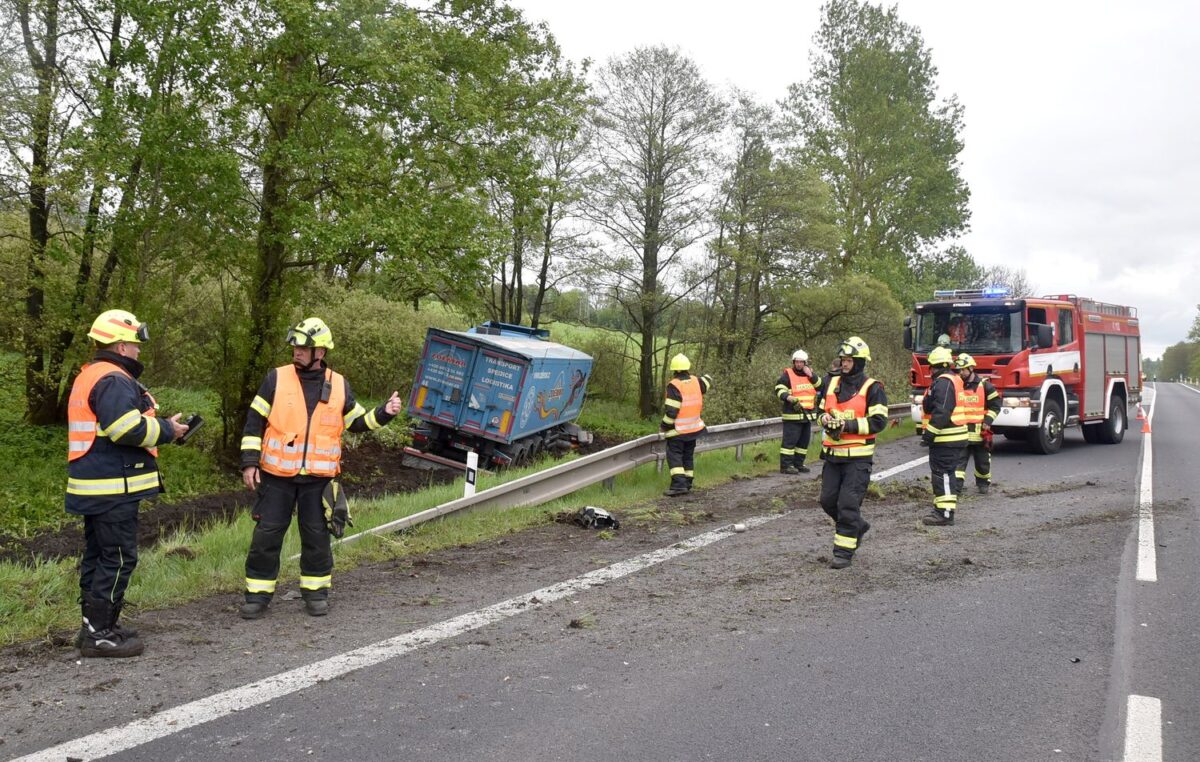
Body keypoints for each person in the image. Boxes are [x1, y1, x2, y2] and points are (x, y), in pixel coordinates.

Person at [239, 318, 402, 619]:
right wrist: (250, 463)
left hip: (319, 480)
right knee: (266, 536)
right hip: (277, 477)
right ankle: (257, 596)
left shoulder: (339, 384)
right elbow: (254, 422)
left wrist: (384, 413)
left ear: (320, 352)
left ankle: (316, 593)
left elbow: (356, 422)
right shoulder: (276, 378)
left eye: (303, 347)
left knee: (316, 537)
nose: (296, 352)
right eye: (295, 347)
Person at [67, 309, 189, 657]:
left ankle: (93, 626)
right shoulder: (115, 379)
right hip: (112, 487)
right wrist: (168, 430)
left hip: (95, 485)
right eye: (135, 344)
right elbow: (125, 429)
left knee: (98, 556)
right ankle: (99, 634)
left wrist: (164, 426)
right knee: (119, 558)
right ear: (121, 346)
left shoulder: (91, 374)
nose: (138, 351)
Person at [818, 337, 888, 569]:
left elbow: (878, 422)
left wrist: (846, 426)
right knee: (828, 501)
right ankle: (857, 525)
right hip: (832, 456)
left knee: (847, 504)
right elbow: (820, 411)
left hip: (858, 459)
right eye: (843, 359)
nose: (844, 364)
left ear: (859, 362)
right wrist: (825, 419)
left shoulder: (873, 388)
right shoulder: (830, 382)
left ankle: (843, 552)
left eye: (849, 360)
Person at [921, 346, 968, 525]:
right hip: (951, 438)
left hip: (947, 438)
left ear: (934, 366)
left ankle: (945, 514)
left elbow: (942, 411)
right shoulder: (952, 380)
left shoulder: (943, 382)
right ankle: (943, 510)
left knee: (943, 475)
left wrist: (929, 435)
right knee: (946, 474)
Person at [660, 353, 713, 497]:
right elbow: (707, 382)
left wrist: (664, 425)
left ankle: (678, 486)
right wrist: (708, 376)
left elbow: (672, 411)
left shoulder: (674, 385)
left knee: (675, 456)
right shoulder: (697, 381)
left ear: (674, 370)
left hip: (679, 430)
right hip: (694, 429)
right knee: (688, 456)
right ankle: (687, 483)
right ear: (687, 368)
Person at [954, 354, 1001, 494]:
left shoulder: (985, 385)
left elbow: (996, 405)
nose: (960, 372)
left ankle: (983, 484)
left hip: (980, 433)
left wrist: (988, 421)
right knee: (958, 462)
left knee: (983, 462)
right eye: (958, 370)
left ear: (971, 368)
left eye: (963, 369)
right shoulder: (956, 385)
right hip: (961, 432)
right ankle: (956, 488)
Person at [774, 349, 822, 474]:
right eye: (797, 362)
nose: (799, 364)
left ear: (805, 363)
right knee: (789, 443)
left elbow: (821, 386)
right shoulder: (788, 375)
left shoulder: (810, 374)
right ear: (793, 362)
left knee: (803, 443)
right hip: (792, 416)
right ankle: (786, 466)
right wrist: (788, 397)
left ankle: (798, 464)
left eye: (801, 362)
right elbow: (779, 389)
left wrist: (812, 375)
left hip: (807, 416)